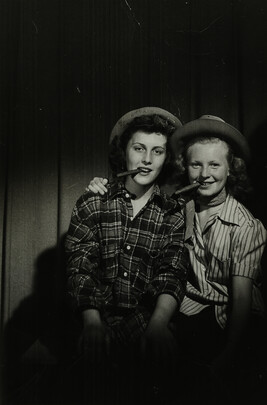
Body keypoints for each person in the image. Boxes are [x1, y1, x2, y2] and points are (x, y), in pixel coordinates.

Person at [88, 114, 267, 404]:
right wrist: (100, 186)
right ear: (186, 167)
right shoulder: (181, 208)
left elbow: (242, 299)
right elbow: (136, 199)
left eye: (214, 165)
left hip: (233, 318)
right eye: (196, 165)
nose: (204, 174)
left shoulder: (246, 226)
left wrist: (228, 356)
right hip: (191, 308)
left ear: (230, 170)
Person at [64, 107, 189, 405]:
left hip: (144, 320)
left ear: (166, 159)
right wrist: (92, 322)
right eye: (139, 149)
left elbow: (172, 272)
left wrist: (158, 324)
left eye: (157, 151)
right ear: (124, 152)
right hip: (95, 316)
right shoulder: (92, 203)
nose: (147, 160)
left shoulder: (172, 213)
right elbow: (80, 265)